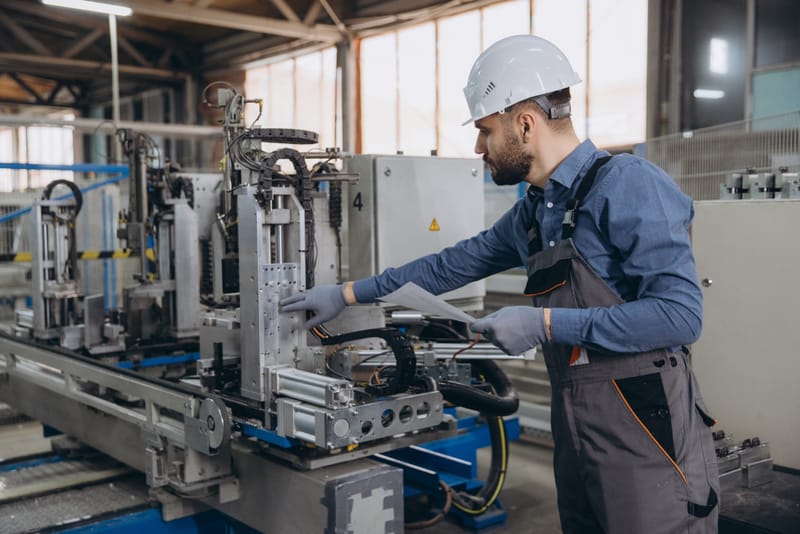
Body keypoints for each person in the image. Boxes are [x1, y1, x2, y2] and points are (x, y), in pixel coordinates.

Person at [281, 34, 719, 533]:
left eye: (485, 131)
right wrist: (346, 294)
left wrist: (544, 324)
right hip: (577, 425)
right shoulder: (537, 211)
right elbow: (449, 266)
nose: (478, 148)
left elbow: (680, 316)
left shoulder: (628, 184)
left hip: (649, 428)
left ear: (525, 124)